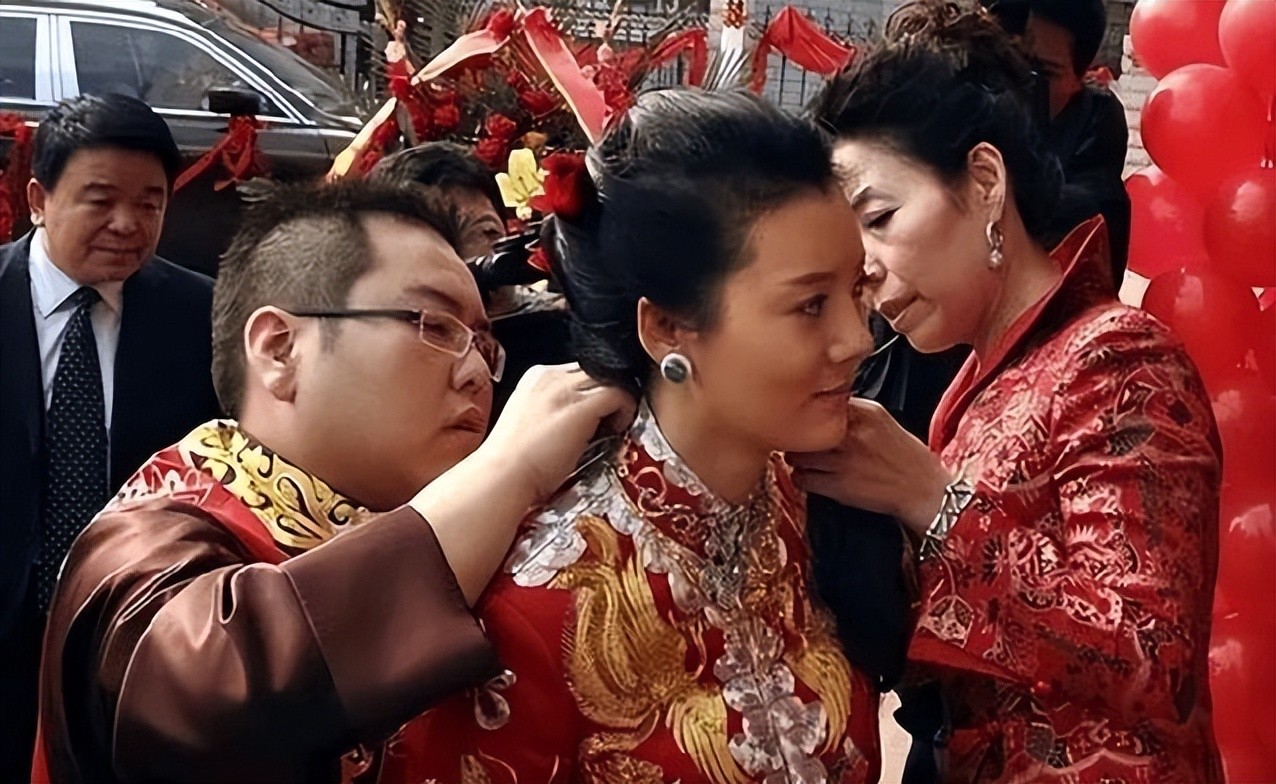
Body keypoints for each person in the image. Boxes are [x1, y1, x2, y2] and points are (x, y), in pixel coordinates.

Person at [34, 177, 634, 783]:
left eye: (483, 344)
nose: (477, 372)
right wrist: (508, 469)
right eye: (435, 326)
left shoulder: (487, 536)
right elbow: (219, 700)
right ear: (280, 350)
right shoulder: (145, 539)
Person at [396, 88, 884, 784]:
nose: (857, 339)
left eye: (857, 292)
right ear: (667, 329)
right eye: (810, 305)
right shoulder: (543, 601)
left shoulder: (823, 500)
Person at [799, 3, 1223, 782]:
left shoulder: (1119, 359)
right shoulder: (976, 384)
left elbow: (1151, 651)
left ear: (986, 183)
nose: (867, 270)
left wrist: (931, 500)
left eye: (880, 217)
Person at [0, 93, 220, 781]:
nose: (128, 224)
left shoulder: (201, 315)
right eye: (100, 200)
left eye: (150, 204)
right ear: (39, 199)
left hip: (137, 635)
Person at [372, 142, 573, 419]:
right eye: (445, 237)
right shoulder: (403, 356)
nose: (481, 248)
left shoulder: (564, 325)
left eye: (486, 229)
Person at [982, 0, 1131, 283]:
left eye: (1042, 74)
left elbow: (1090, 212)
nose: (1021, 85)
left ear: (1079, 77)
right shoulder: (973, 101)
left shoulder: (1096, 117)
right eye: (1013, 63)